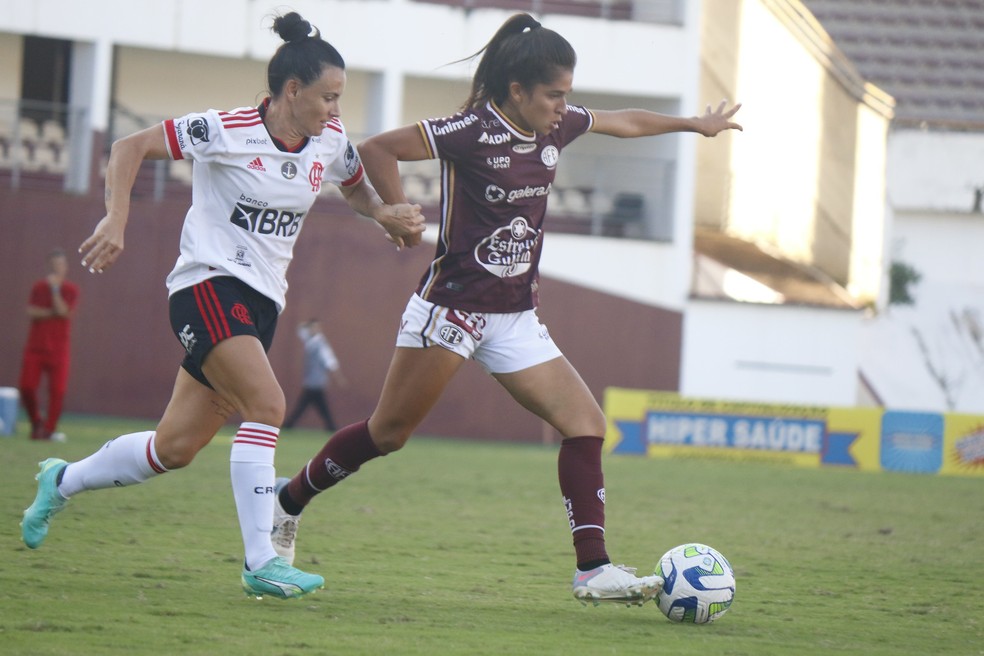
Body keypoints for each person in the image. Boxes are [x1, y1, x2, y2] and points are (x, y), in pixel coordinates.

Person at [270, 13, 742, 606]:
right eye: (554, 95)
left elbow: (622, 122)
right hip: (452, 311)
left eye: (567, 94)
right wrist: (398, 212)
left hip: (515, 315)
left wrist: (693, 125)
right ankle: (288, 503)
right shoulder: (471, 129)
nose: (563, 107)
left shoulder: (556, 125)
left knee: (585, 424)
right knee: (387, 434)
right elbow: (378, 148)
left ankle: (593, 569)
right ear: (517, 91)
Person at [20, 12, 425, 600]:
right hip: (206, 287)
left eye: (341, 98)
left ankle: (61, 480)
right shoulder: (226, 128)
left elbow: (356, 184)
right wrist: (117, 216)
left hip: (261, 305)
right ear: (292, 91)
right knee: (267, 404)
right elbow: (129, 147)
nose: (336, 110)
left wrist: (384, 212)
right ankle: (262, 559)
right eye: (328, 97)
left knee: (174, 448)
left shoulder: (330, 141)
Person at [19, 248, 79, 442]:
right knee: (26, 386)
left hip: (59, 349)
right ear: (49, 267)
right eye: (54, 266)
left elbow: (63, 311)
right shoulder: (38, 287)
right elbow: (32, 312)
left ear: (65, 268)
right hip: (36, 347)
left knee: (58, 391)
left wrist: (54, 291)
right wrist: (50, 311)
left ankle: (48, 430)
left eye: (61, 265)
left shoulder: (70, 290)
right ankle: (36, 421)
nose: (57, 269)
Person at [283, 319, 347, 432]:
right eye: (312, 328)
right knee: (319, 407)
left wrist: (339, 378)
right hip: (311, 381)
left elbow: (330, 361)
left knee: (305, 406)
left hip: (316, 382)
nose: (313, 330)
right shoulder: (310, 341)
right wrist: (307, 325)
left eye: (315, 327)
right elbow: (300, 330)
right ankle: (331, 427)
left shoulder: (320, 344)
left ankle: (288, 425)